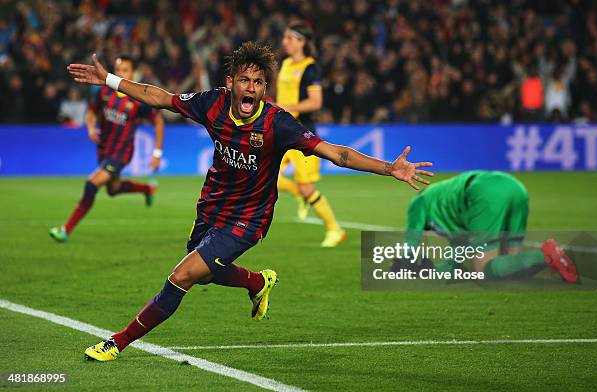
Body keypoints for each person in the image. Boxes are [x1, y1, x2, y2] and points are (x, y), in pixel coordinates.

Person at [66, 42, 433, 361]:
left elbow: (338, 154)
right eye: (245, 80)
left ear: (264, 89)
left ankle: (117, 342)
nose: (251, 88)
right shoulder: (212, 104)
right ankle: (257, 283)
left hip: (249, 219)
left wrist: (389, 168)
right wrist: (110, 81)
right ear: (231, 84)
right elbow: (159, 97)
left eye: (258, 82)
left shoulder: (278, 123)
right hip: (212, 207)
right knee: (207, 274)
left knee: (182, 276)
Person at [49, 55, 165, 242]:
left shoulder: (137, 99)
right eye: (118, 70)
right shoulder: (104, 92)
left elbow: (158, 121)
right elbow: (92, 111)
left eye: (125, 70)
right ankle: (147, 189)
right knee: (113, 189)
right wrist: (90, 127)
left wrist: (157, 152)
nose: (120, 73)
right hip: (104, 150)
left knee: (91, 184)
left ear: (134, 73)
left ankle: (65, 229)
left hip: (122, 153)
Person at [393, 171, 577, 282]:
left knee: (483, 269)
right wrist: (430, 272)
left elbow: (411, 241)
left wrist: (404, 265)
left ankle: (546, 256)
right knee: (511, 267)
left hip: (484, 193)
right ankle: (554, 258)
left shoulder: (419, 202)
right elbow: (453, 265)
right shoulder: (449, 209)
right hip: (515, 186)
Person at [275, 23, 344, 247]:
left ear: (301, 41)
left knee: (307, 188)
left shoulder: (310, 68)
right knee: (266, 176)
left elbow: (316, 102)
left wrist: (287, 107)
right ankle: (298, 194)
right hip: (281, 131)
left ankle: (335, 229)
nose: (284, 42)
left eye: (289, 38)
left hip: (302, 134)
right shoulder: (285, 64)